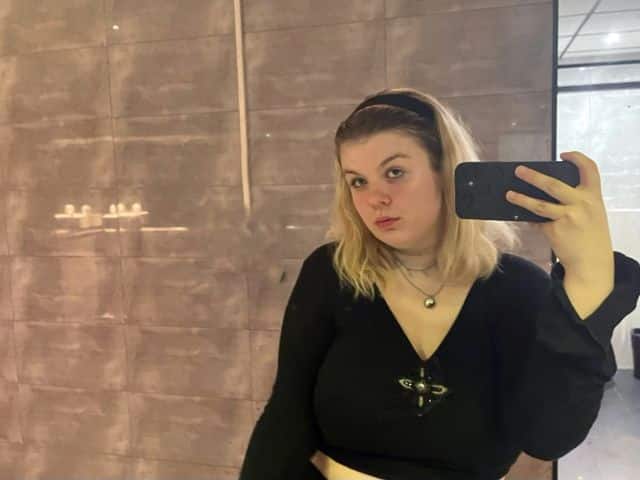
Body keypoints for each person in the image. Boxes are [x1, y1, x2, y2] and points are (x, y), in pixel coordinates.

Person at [237, 88, 640, 480]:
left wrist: (587, 277)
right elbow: (286, 414)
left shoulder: (519, 289)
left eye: (394, 173)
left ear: (446, 172)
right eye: (357, 181)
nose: (375, 198)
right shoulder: (332, 272)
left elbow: (549, 437)